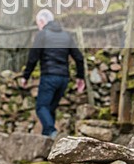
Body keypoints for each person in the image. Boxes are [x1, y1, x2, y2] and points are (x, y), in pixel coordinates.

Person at [18, 9, 85, 139]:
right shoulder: (66, 36)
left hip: (49, 77)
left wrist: (26, 76)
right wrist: (80, 77)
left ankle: (52, 133)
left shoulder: (42, 35)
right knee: (50, 109)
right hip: (64, 79)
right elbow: (79, 57)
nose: (38, 27)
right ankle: (47, 139)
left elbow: (33, 58)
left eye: (38, 23)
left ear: (42, 21)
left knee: (41, 107)